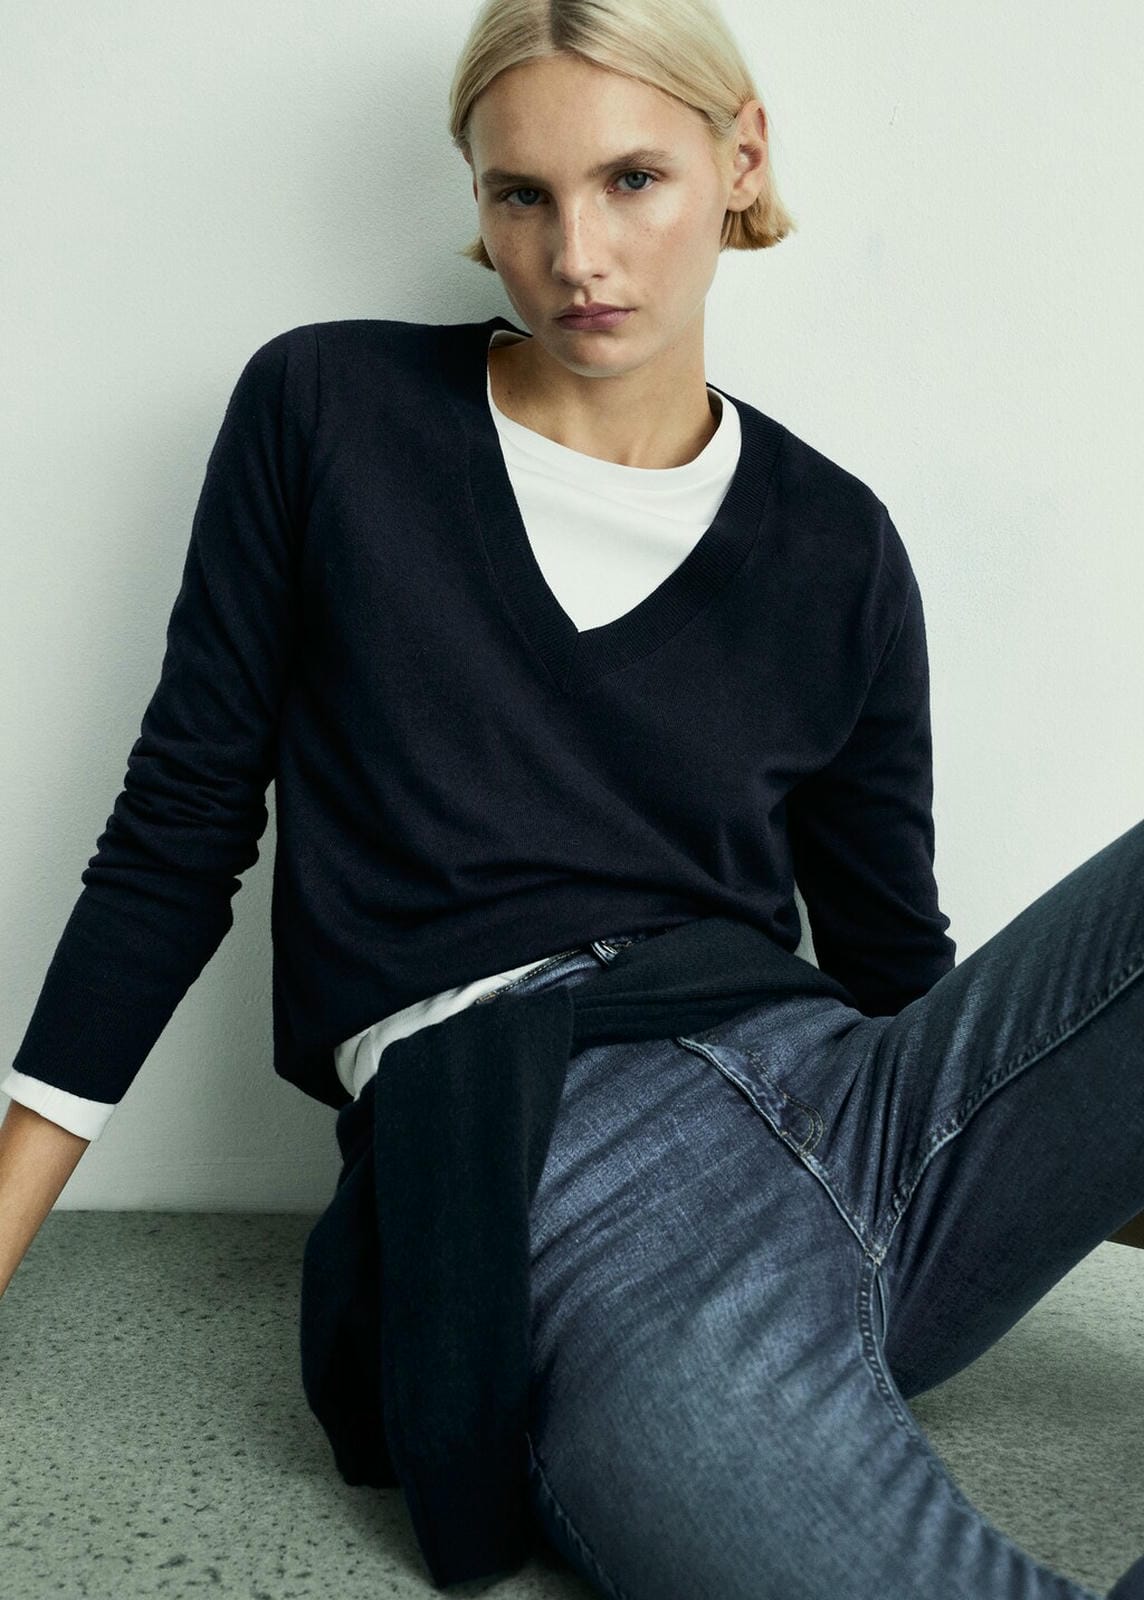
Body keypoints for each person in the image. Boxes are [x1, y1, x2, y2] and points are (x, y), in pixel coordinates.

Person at [2, 0, 1143, 1595]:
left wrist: (1080, 1162)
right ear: (476, 200)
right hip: (554, 1167)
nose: (576, 256)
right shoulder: (328, 413)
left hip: (861, 1104)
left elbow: (900, 971)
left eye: (632, 180)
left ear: (742, 158)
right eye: (520, 195)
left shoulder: (838, 544)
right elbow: (175, 837)